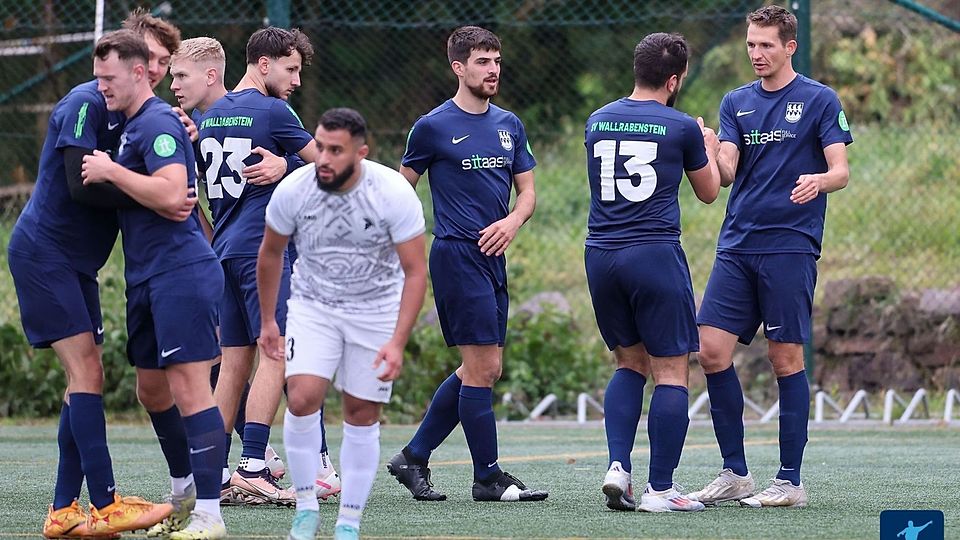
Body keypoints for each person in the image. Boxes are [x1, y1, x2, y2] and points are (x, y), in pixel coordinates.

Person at [7, 25, 175, 540]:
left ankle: (63, 511)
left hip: (75, 262)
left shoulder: (142, 116)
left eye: (167, 61)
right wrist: (149, 192)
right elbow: (82, 189)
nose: (162, 70)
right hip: (44, 255)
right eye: (156, 58)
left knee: (85, 376)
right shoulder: (86, 101)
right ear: (135, 60)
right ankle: (104, 505)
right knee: (87, 373)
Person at [688, 5, 852, 508]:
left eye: (765, 45)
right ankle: (735, 473)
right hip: (738, 245)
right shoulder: (736, 101)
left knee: (786, 359)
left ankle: (789, 481)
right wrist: (711, 148)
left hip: (790, 245)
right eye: (751, 45)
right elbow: (730, 171)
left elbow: (841, 170)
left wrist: (819, 181)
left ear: (789, 47)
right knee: (710, 350)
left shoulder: (820, 99)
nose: (756, 54)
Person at [387, 25, 547, 503]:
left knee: (482, 368)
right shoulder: (433, 125)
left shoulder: (509, 124)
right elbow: (400, 189)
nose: (492, 69)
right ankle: (487, 478)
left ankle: (413, 456)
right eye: (482, 61)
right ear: (458, 67)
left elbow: (529, 192)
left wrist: (514, 222)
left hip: (495, 258)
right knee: (482, 368)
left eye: (496, 60)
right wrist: (403, 248)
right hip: (456, 256)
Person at [81, 30, 228, 539]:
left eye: (109, 78)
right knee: (151, 390)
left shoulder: (159, 121)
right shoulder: (128, 126)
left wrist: (110, 171)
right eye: (98, 78)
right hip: (145, 276)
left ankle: (211, 513)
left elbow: (171, 196)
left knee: (190, 389)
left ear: (140, 73)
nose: (101, 87)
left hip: (180, 272)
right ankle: (185, 490)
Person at [258, 108, 427, 540]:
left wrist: (397, 341)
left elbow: (414, 272)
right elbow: (271, 254)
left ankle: (348, 520)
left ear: (361, 153)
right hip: (314, 307)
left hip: (374, 312)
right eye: (320, 147)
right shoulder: (295, 188)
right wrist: (268, 322)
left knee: (360, 411)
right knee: (301, 397)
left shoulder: (391, 191)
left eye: (336, 150)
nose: (325, 159)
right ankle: (306, 507)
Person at [168, 35, 320, 505]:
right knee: (277, 354)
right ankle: (254, 464)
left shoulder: (209, 116)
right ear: (265, 64)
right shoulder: (273, 113)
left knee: (234, 362)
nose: (295, 82)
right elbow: (332, 166)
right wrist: (289, 161)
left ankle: (209, 470)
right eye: (290, 71)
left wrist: (283, 165)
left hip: (225, 250)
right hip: (263, 251)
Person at [585, 33, 720, 513]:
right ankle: (660, 491)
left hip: (601, 255)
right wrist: (707, 143)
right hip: (653, 254)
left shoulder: (598, 119)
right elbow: (708, 191)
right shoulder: (681, 125)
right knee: (671, 372)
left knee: (628, 363)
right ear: (674, 79)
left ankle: (618, 466)